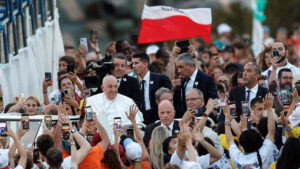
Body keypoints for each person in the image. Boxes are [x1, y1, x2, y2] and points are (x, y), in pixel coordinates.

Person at [225, 93, 276, 169]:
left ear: (241, 143)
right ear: (259, 140)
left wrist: (226, 116)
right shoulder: (263, 155)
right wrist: (269, 108)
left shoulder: (237, 158)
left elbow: (230, 140)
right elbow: (271, 133)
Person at [173, 53, 218, 118]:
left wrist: (199, 112)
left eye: (181, 67)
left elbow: (215, 101)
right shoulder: (180, 81)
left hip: (202, 120)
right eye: (177, 68)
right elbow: (177, 104)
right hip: (184, 122)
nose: (179, 71)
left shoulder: (206, 79)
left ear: (190, 65)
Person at [132, 53, 172, 124]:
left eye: (136, 63)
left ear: (145, 64)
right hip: (143, 123)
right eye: (132, 63)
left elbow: (169, 100)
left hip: (160, 121)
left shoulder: (161, 79)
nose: (133, 66)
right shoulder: (135, 83)